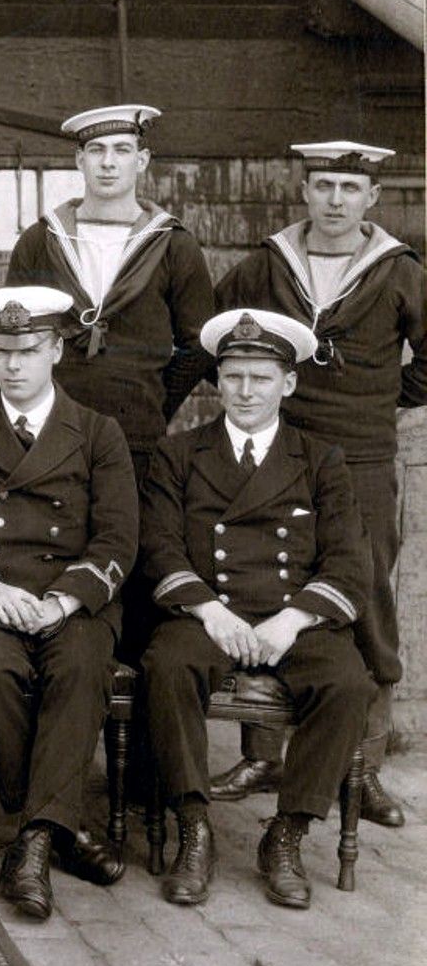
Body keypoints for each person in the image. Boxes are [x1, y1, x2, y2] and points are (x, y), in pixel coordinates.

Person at [212, 141, 417, 827]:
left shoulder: (399, 271)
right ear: (304, 191)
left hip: (360, 457)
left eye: (348, 189)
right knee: (267, 584)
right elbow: (208, 337)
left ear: (370, 198)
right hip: (282, 453)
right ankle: (264, 753)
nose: (335, 200)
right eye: (324, 185)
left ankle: (363, 767)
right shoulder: (267, 264)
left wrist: (380, 396)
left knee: (367, 598)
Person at [140, 309, 373, 908]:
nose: (245, 392)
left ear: (288, 384)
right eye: (234, 376)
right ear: (216, 380)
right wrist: (210, 612)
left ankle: (287, 834)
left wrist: (292, 620)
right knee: (167, 667)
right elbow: (159, 546)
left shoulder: (320, 460)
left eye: (261, 378)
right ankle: (195, 828)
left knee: (347, 683)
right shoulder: (179, 454)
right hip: (209, 614)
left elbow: (348, 561)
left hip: (290, 616)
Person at [0, 286, 138, 920]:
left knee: (78, 668)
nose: (12, 365)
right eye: (0, 351)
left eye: (27, 351)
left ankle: (35, 841)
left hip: (70, 599)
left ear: (57, 352)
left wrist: (63, 602)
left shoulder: (99, 433)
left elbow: (118, 536)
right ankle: (58, 827)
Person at [6, 105, 213, 478]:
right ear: (79, 160)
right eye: (97, 150)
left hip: (136, 435)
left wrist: (155, 398)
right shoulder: (41, 240)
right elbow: (15, 334)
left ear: (142, 160)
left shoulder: (173, 244)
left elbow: (199, 345)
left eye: (122, 150)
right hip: (50, 431)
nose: (108, 162)